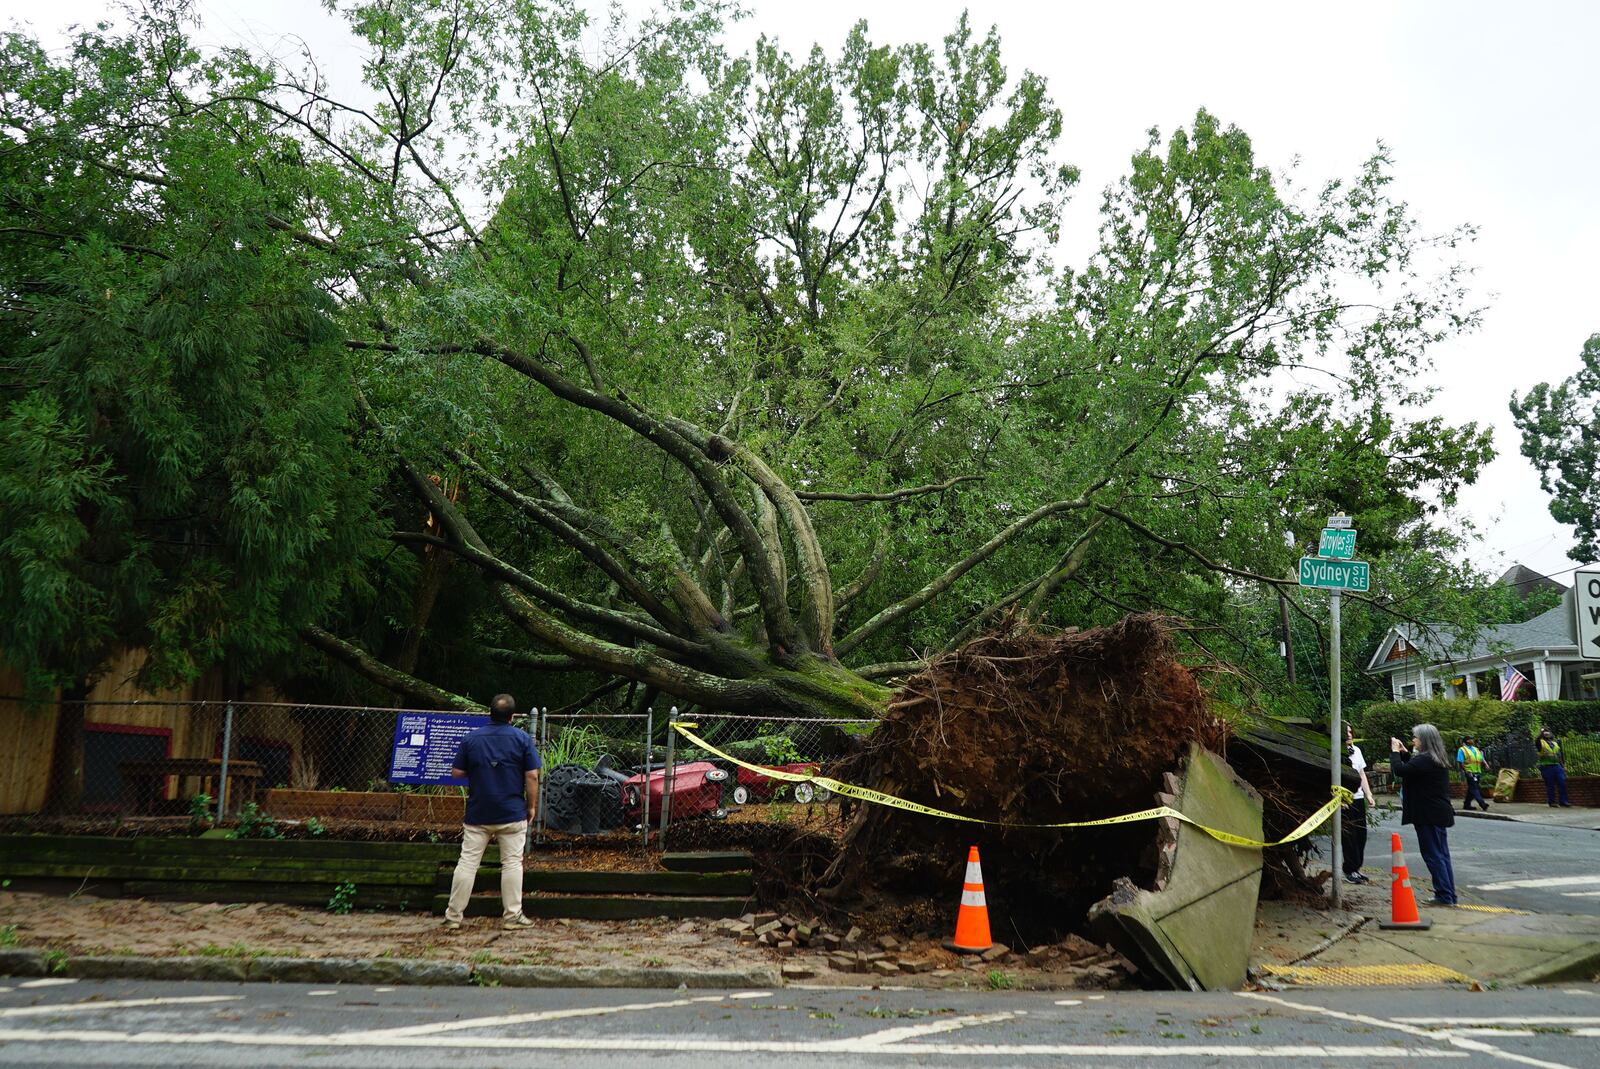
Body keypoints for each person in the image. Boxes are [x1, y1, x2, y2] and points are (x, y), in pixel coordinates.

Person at [444, 693, 542, 931]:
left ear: (489, 713)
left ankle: (453, 916)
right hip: (511, 812)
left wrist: (479, 770)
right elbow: (532, 775)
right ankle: (512, 916)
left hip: (478, 812)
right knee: (511, 863)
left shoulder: (472, 739)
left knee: (467, 863)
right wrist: (531, 806)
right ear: (512, 716)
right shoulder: (521, 738)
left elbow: (456, 772)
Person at [1390, 723, 1456, 907]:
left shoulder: (1425, 760)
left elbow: (1401, 771)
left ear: (1424, 740)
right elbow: (1413, 769)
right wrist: (1404, 753)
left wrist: (1395, 752)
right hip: (1438, 813)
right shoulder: (1434, 758)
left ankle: (1444, 895)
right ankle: (1448, 893)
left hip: (1428, 814)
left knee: (1433, 855)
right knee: (1442, 854)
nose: (1413, 740)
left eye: (1415, 737)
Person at [1342, 724, 1373, 884]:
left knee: (1361, 834)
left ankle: (1356, 868)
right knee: (1349, 835)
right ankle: (1349, 869)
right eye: (1345, 732)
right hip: (1345, 800)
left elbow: (1362, 773)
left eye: (1350, 731)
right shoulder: (1336, 750)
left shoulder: (1357, 750)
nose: (1349, 734)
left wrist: (1368, 794)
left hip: (1359, 797)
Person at [1537, 728, 1572, 808]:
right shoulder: (1541, 743)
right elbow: (1537, 740)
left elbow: (1559, 755)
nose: (1547, 733)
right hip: (1546, 766)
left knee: (1562, 783)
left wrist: (1563, 766)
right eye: (1545, 732)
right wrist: (1541, 733)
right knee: (1550, 785)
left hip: (1557, 766)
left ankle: (1563, 801)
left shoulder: (1555, 743)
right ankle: (1552, 802)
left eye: (1548, 732)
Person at [1455, 734, 1490, 812]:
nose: (1473, 741)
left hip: (1477, 771)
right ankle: (1482, 804)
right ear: (1467, 741)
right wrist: (1466, 771)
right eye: (1471, 739)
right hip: (1470, 772)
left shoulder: (1476, 749)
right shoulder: (1462, 749)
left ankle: (1466, 804)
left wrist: (1486, 764)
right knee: (1475, 788)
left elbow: (1481, 758)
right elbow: (1460, 762)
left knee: (1472, 789)